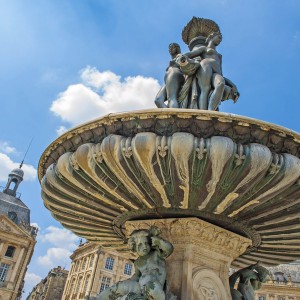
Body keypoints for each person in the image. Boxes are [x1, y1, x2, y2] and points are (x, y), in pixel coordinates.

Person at [95, 227, 174, 300]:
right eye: (140, 245)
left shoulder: (156, 254)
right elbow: (136, 277)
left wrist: (159, 241)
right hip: (140, 287)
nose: (145, 247)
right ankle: (98, 298)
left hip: (153, 287)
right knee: (120, 286)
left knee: (149, 286)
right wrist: (125, 284)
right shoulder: (138, 262)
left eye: (146, 243)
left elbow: (169, 249)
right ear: (134, 248)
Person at [176, 32, 239, 110]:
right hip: (205, 66)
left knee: (220, 84)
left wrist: (233, 85)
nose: (220, 40)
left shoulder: (219, 56)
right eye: (219, 37)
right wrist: (182, 57)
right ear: (212, 36)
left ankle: (211, 112)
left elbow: (221, 74)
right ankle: (205, 113)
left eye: (221, 39)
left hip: (216, 73)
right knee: (205, 90)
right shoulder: (204, 48)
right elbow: (191, 54)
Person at [154, 43, 185, 108]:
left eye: (172, 47)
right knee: (158, 100)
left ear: (177, 48)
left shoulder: (180, 56)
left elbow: (185, 64)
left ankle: (174, 117)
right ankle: (169, 116)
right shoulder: (173, 59)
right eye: (169, 48)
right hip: (169, 77)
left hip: (175, 74)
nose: (170, 49)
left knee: (171, 99)